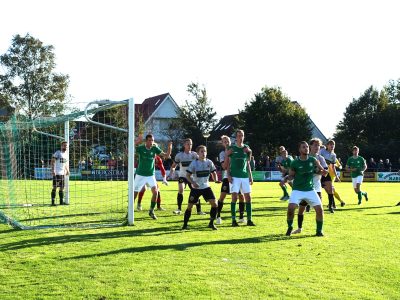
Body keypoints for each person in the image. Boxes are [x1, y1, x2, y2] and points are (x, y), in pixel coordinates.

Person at [285, 141, 328, 237]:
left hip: (310, 190)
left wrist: (324, 172)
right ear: (300, 150)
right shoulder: (294, 162)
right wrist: (286, 179)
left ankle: (319, 231)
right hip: (297, 190)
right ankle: (290, 227)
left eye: (307, 147)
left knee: (320, 210)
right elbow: (291, 176)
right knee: (291, 209)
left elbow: (321, 170)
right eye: (303, 147)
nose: (306, 148)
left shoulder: (313, 160)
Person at [134, 134, 172, 220]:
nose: (151, 142)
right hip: (140, 175)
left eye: (152, 140)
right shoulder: (141, 148)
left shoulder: (155, 148)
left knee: (156, 192)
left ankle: (151, 211)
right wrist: (136, 142)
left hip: (150, 175)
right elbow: (130, 150)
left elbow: (166, 155)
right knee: (135, 194)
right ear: (146, 141)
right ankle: (130, 212)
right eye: (149, 140)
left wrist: (169, 147)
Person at [182, 145, 220, 230]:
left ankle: (211, 223)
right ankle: (185, 224)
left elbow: (213, 172)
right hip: (196, 188)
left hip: (206, 187)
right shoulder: (194, 163)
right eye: (202, 151)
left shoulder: (209, 162)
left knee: (215, 204)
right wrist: (193, 183)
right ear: (198, 153)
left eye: (205, 151)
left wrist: (216, 180)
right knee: (190, 206)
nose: (204, 153)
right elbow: (187, 175)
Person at [226, 130, 255, 227]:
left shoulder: (246, 148)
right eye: (239, 136)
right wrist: (228, 175)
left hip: (244, 176)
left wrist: (250, 176)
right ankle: (233, 220)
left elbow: (248, 162)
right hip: (234, 176)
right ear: (236, 137)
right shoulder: (232, 148)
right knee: (234, 197)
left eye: (242, 135)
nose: (240, 137)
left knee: (248, 197)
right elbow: (228, 164)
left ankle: (249, 220)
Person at [169, 138, 205, 215]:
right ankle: (179, 209)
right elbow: (173, 166)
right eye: (188, 144)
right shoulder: (179, 155)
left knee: (196, 192)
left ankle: (199, 210)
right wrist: (172, 173)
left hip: (192, 177)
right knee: (181, 189)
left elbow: (201, 162)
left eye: (191, 144)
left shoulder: (195, 155)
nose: (189, 145)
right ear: (184, 145)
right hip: (182, 176)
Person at [216, 135, 245, 225]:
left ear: (230, 141)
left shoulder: (236, 150)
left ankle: (241, 217)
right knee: (222, 196)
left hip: (238, 176)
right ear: (222, 143)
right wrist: (228, 157)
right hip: (226, 177)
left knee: (241, 196)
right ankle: (218, 216)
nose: (226, 142)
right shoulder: (222, 154)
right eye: (224, 141)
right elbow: (224, 166)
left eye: (227, 141)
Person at [320, 140, 344, 213]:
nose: (332, 146)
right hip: (318, 173)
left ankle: (331, 206)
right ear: (327, 145)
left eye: (333, 145)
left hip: (327, 174)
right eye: (330, 145)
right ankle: (308, 205)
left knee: (330, 189)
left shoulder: (334, 155)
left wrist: (337, 176)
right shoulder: (322, 151)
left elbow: (333, 166)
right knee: (317, 191)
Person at [50, 141, 70, 206]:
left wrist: (67, 170)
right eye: (64, 145)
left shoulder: (66, 154)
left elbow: (65, 164)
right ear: (61, 146)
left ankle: (61, 202)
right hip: (57, 173)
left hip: (62, 174)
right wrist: (53, 170)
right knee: (55, 187)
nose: (65, 147)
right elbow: (52, 161)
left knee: (62, 187)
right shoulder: (58, 153)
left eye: (66, 146)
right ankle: (52, 202)